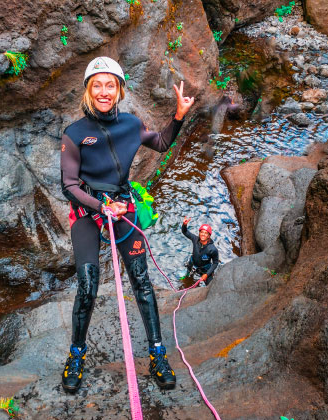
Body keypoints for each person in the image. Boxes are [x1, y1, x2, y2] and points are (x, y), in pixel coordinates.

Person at [60, 56, 194, 393]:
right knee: (88, 285)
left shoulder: (131, 125)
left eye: (110, 85)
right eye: (97, 85)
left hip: (124, 206)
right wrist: (100, 206)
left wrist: (178, 116)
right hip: (90, 210)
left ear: (119, 89)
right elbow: (69, 185)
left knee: (142, 283)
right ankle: (76, 354)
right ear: (89, 91)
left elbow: (161, 143)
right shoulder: (75, 134)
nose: (104, 91)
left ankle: (157, 353)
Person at [181, 217, 219, 285]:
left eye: (206, 233)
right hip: (192, 264)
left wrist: (206, 274)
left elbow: (215, 263)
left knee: (210, 285)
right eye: (201, 232)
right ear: (199, 233)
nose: (203, 234)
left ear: (209, 236)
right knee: (187, 276)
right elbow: (185, 232)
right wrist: (184, 225)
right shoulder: (195, 239)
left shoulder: (212, 249)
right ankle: (186, 276)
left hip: (205, 269)